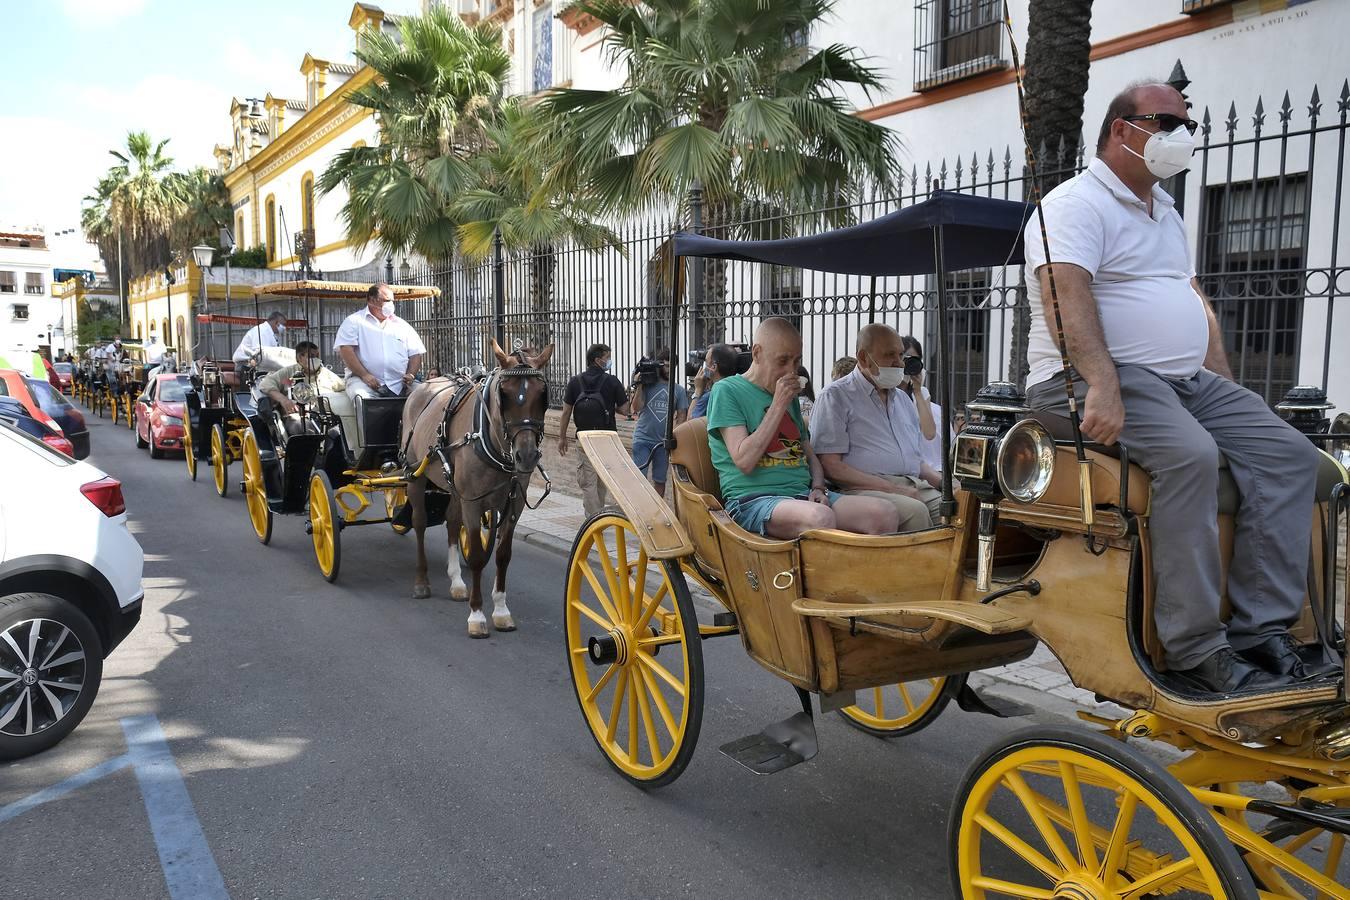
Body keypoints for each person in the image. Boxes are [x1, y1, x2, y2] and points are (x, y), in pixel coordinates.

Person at [1024, 79, 1337, 694]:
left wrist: (1219, 379)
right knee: (1191, 457)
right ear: (1123, 130)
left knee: (1292, 456)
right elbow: (1066, 296)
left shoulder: (1165, 211)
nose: (1182, 137)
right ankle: (1195, 647)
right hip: (1093, 376)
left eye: (1186, 125)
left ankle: (1263, 631)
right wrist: (1102, 385)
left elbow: (1190, 299)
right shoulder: (1074, 203)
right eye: (1167, 123)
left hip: (1184, 381)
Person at [707, 317, 897, 539]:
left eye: (796, 362)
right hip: (754, 500)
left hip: (803, 495)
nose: (791, 370)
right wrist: (778, 405)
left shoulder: (791, 399)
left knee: (884, 514)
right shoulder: (727, 390)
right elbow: (744, 461)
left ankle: (860, 574)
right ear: (757, 353)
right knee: (820, 517)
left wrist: (818, 487)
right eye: (783, 361)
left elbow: (809, 455)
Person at [810, 324, 942, 532]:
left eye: (900, 355)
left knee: (959, 508)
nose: (899, 363)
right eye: (890, 355)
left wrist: (947, 485)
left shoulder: (903, 400)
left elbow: (915, 460)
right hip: (861, 488)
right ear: (863, 358)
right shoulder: (835, 397)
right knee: (915, 511)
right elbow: (831, 466)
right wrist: (893, 489)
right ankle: (916, 565)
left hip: (913, 483)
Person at [558, 343, 631, 518]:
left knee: (588, 481)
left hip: (584, 438)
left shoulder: (575, 382)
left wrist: (562, 437)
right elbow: (626, 410)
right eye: (607, 358)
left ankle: (593, 518)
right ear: (598, 360)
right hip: (607, 437)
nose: (609, 361)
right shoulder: (612, 381)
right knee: (601, 479)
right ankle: (596, 519)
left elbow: (566, 412)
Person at [333, 283, 425, 403]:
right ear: (372, 300)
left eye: (392, 301)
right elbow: (346, 349)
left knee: (426, 395)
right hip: (363, 381)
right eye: (387, 300)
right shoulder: (354, 322)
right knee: (360, 397)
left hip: (399, 383)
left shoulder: (402, 325)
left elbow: (415, 353)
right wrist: (364, 375)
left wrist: (411, 375)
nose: (391, 304)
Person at [629, 349, 689, 497]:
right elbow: (635, 408)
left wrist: (675, 436)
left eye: (672, 366)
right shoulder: (648, 386)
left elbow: (682, 416)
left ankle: (658, 511)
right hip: (642, 439)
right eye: (667, 366)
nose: (669, 370)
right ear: (659, 365)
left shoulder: (679, 391)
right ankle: (639, 510)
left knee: (660, 480)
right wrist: (640, 385)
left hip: (662, 443)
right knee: (639, 478)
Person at [257, 341, 342, 436]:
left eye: (317, 356)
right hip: (297, 417)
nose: (315, 359)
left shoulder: (328, 375)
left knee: (339, 433)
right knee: (302, 428)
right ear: (299, 358)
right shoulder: (288, 372)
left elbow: (343, 389)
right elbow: (265, 384)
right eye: (311, 356)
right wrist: (283, 400)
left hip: (326, 418)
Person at [690, 343, 739, 418]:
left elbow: (690, 422)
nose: (704, 366)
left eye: (706, 361)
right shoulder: (736, 390)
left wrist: (698, 390)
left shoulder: (710, 396)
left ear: (713, 367)